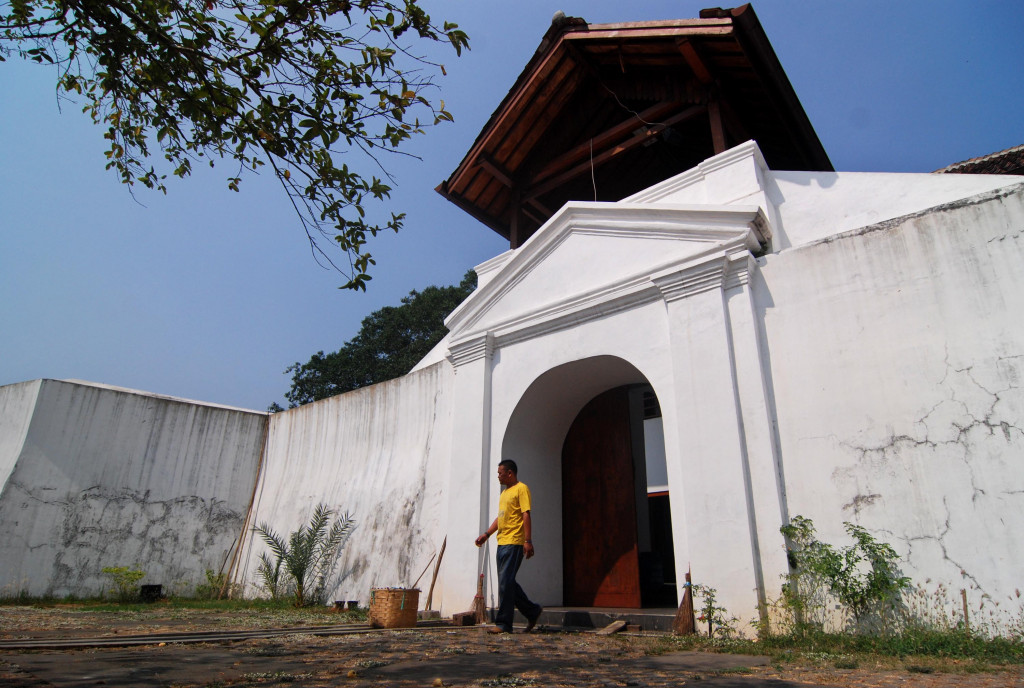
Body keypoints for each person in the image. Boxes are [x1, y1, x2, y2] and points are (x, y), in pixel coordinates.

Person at [475, 459, 543, 633]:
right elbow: (501, 517)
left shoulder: (522, 489)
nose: (498, 476)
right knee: (507, 583)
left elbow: (525, 514)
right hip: (502, 542)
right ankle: (532, 611)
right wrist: (487, 534)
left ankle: (504, 624)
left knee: (506, 582)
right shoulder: (505, 493)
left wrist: (528, 541)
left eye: (500, 473)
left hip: (514, 543)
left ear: (510, 473)